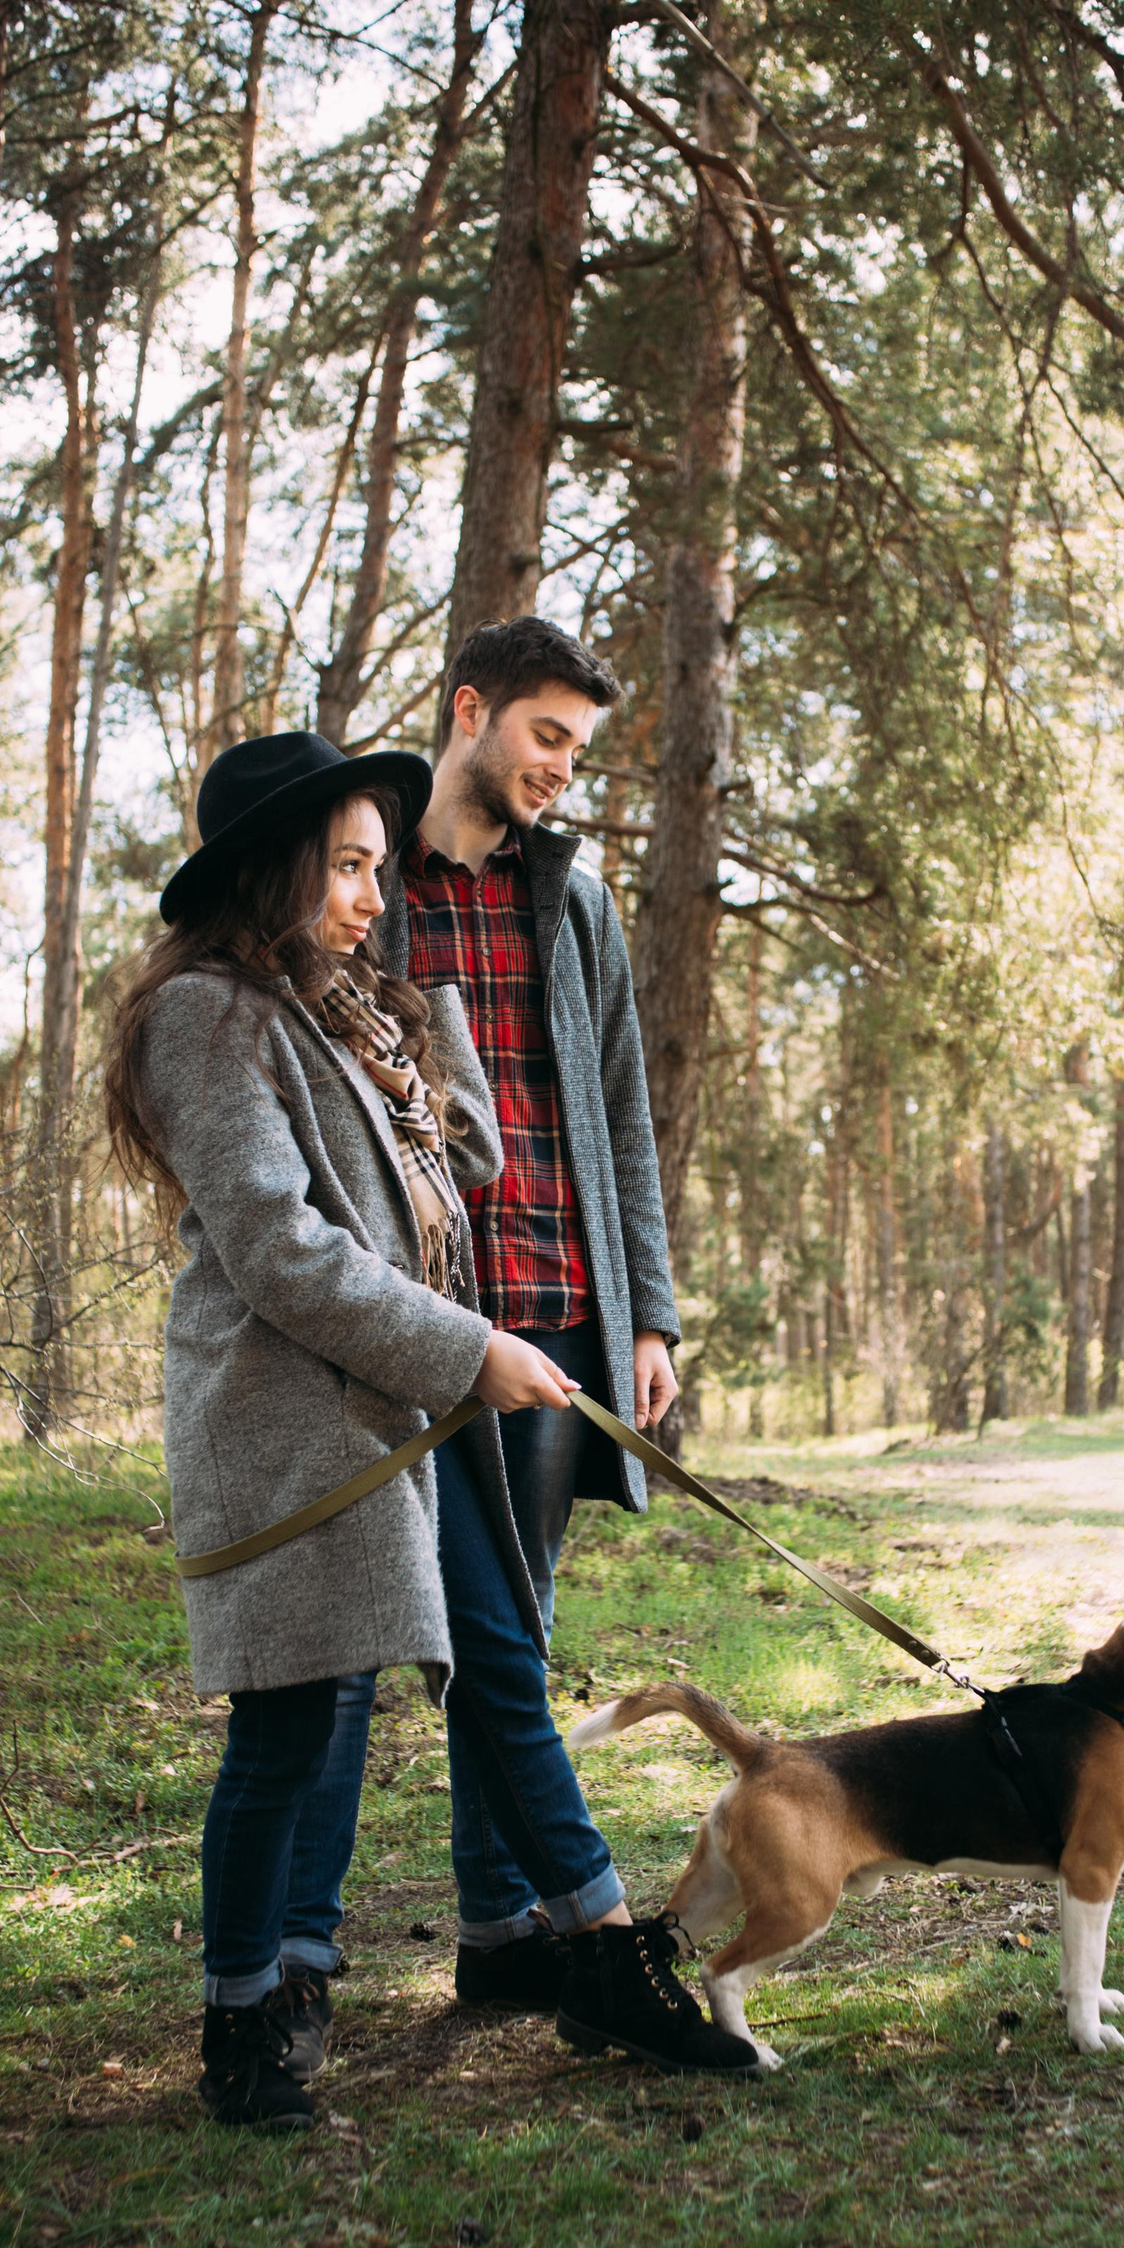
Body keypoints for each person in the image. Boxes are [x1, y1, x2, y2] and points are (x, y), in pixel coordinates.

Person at [105, 730, 756, 2125]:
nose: (371, 897)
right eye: (346, 868)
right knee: (289, 1728)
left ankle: (590, 1947)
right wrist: (475, 1350)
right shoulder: (207, 1020)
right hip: (293, 1424)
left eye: (376, 869)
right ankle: (246, 2016)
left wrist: (421, 1022)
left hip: (397, 1406)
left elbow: (467, 1161)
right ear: (271, 871)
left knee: (496, 1661)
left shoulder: (342, 1014)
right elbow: (284, 1253)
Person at [376, 617, 680, 1648]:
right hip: (414, 1317)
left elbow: (624, 1117)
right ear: (471, 711)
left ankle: (505, 1768)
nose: (561, 769)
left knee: (515, 1627)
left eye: (576, 750)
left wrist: (647, 1318)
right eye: (547, 736)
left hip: (554, 1311)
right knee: (391, 1621)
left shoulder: (578, 906)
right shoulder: (364, 889)